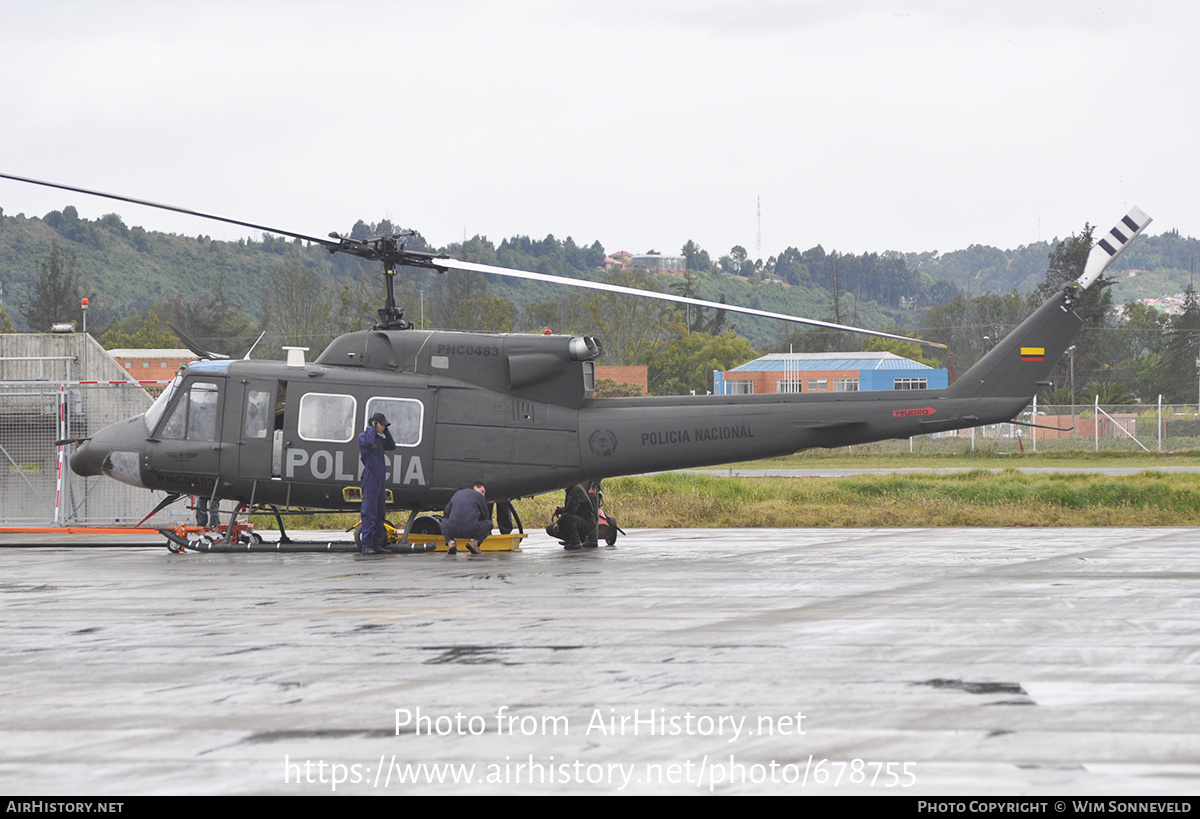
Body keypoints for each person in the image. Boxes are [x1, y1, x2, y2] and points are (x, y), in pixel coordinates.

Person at [358, 411, 396, 555]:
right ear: (375, 424)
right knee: (369, 513)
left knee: (380, 513)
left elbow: (392, 445)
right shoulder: (364, 437)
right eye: (382, 425)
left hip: (380, 480)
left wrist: (386, 432)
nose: (384, 427)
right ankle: (366, 545)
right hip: (370, 479)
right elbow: (368, 442)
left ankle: (376, 543)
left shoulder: (379, 440)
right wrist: (371, 428)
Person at [547, 480, 599, 550]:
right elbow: (569, 508)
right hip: (578, 520)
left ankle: (575, 542)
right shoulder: (570, 489)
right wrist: (558, 512)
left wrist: (559, 521)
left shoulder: (576, 490)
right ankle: (573, 539)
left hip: (588, 523)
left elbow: (570, 510)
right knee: (550, 529)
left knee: (567, 517)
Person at [442, 481, 491, 555]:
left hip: (453, 530)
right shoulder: (479, 496)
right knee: (489, 524)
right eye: (482, 491)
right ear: (475, 487)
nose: (483, 495)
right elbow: (485, 516)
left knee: (443, 522)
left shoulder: (457, 494)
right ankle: (473, 542)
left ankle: (451, 543)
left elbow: (446, 513)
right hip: (471, 530)